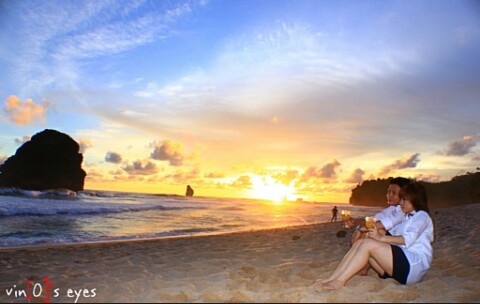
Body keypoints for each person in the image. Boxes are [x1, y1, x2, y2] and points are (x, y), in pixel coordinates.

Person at [315, 182, 434, 290]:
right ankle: (332, 278)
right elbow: (382, 227)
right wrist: (369, 232)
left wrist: (381, 238)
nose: (401, 203)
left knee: (367, 244)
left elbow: (407, 239)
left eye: (404, 199)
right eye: (401, 199)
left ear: (415, 199)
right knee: (362, 243)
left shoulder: (421, 216)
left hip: (412, 268)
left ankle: (339, 281)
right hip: (400, 269)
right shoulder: (408, 216)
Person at [350, 177, 411, 244]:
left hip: (398, 246)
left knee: (375, 231)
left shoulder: (403, 212)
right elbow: (373, 219)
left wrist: (360, 229)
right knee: (369, 232)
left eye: (394, 193)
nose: (389, 195)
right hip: (388, 242)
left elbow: (382, 224)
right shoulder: (392, 209)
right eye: (388, 192)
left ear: (404, 195)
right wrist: (356, 222)